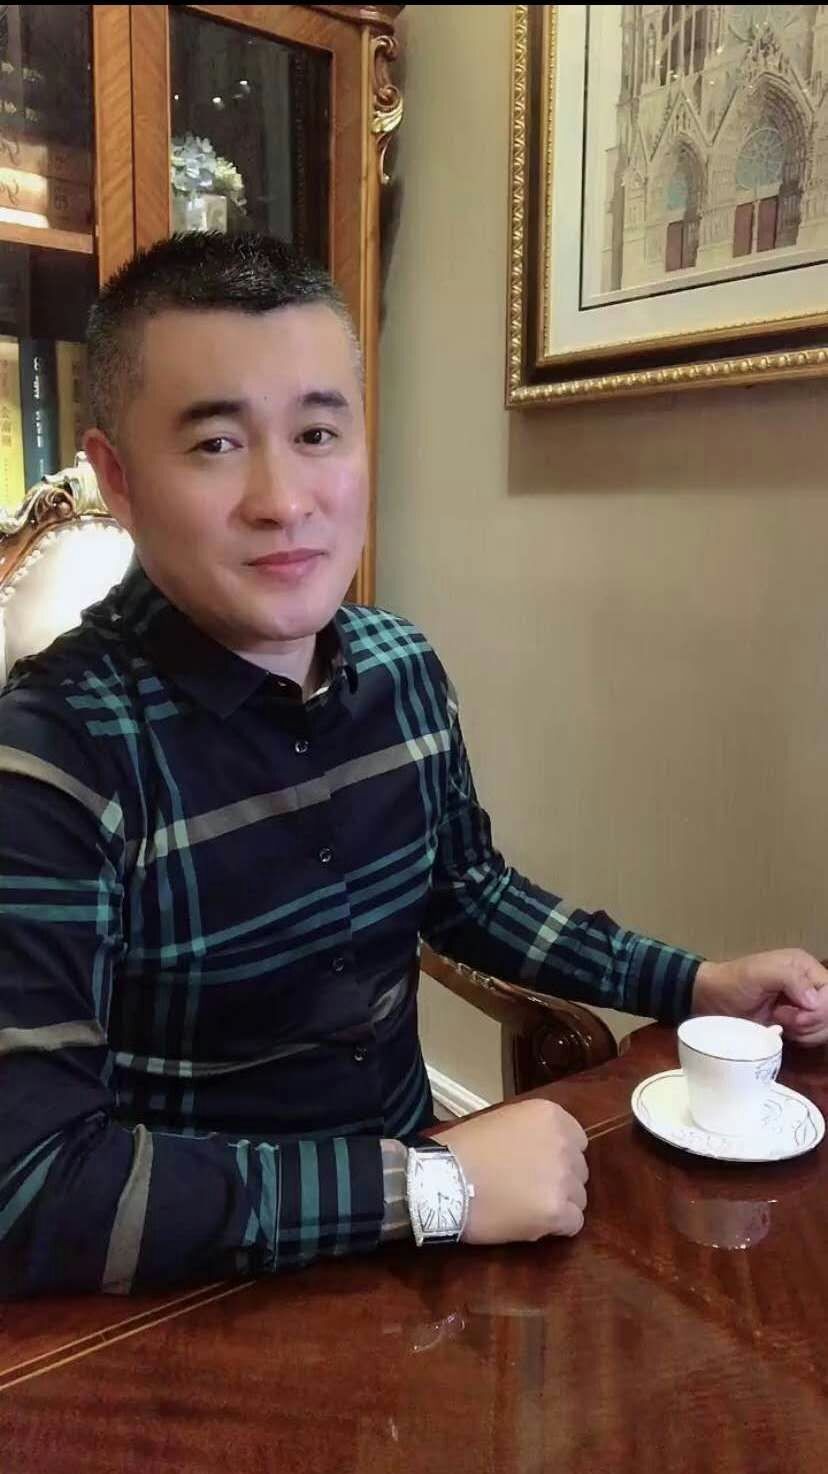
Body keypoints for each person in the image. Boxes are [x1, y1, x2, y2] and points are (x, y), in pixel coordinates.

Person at [1, 233, 826, 1298]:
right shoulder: (52, 757)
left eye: (317, 433)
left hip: (424, 1248)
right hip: (195, 1298)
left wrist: (697, 981)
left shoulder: (401, 668)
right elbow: (32, 1186)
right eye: (215, 443)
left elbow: (469, 894)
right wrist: (430, 1187)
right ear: (117, 476)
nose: (283, 499)